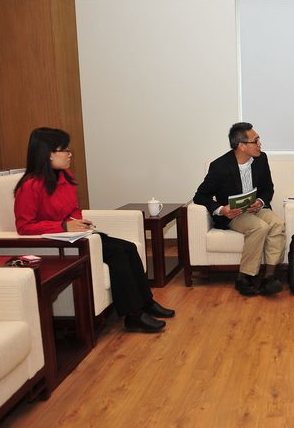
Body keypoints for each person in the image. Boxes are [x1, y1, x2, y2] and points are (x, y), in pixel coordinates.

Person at [14, 127, 175, 333]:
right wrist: (63, 226)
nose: (70, 154)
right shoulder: (30, 186)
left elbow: (73, 210)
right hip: (58, 242)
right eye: (65, 150)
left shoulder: (65, 177)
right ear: (48, 154)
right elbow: (24, 226)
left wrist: (78, 222)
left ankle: (146, 303)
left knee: (128, 248)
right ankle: (133, 315)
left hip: (77, 236)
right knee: (117, 253)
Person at [193, 122, 285, 296]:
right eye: (255, 141)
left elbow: (268, 188)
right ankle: (244, 277)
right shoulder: (219, 166)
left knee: (277, 223)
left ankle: (269, 277)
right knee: (259, 227)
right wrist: (222, 210)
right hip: (234, 214)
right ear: (242, 146)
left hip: (256, 208)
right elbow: (200, 196)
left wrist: (260, 201)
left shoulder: (261, 159)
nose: (259, 144)